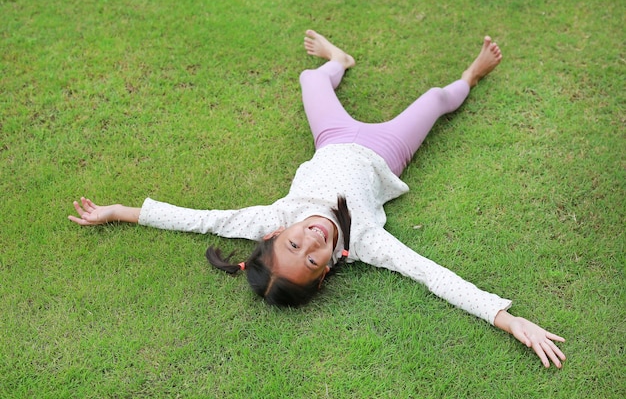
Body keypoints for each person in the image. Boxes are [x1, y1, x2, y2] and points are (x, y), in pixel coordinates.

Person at [69, 30, 566, 368]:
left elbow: (199, 220)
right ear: (328, 268)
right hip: (386, 150)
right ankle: (471, 76)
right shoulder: (364, 240)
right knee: (436, 98)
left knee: (311, 78)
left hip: (332, 135)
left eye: (294, 246)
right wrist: (507, 318)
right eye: (314, 260)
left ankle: (339, 62)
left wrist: (119, 212)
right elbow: (431, 275)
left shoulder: (273, 216)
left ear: (273, 235)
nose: (313, 240)